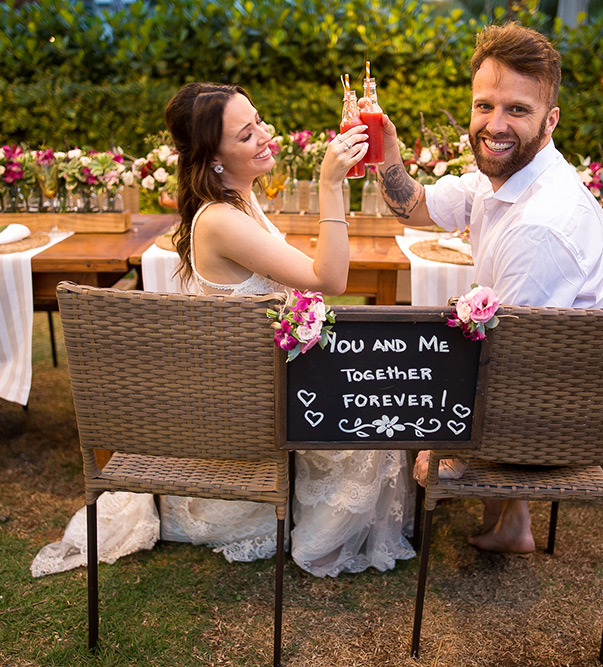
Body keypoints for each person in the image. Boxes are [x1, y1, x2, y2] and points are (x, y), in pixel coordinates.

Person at [33, 83, 415, 579]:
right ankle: (317, 538)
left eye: (258, 121)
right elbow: (330, 279)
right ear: (214, 159)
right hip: (251, 402)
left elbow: (302, 276)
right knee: (379, 410)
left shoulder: (240, 201)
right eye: (245, 134)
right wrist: (331, 186)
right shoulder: (219, 220)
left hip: (261, 378)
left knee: (384, 386)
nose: (264, 136)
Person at [381, 23, 603, 554]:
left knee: (396, 383)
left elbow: (512, 363)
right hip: (538, 377)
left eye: (517, 109)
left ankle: (499, 498)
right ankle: (513, 527)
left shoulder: (543, 222)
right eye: (484, 105)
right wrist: (385, 152)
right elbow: (416, 206)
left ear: (550, 120)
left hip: (553, 412)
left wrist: (451, 450)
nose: (495, 123)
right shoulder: (504, 176)